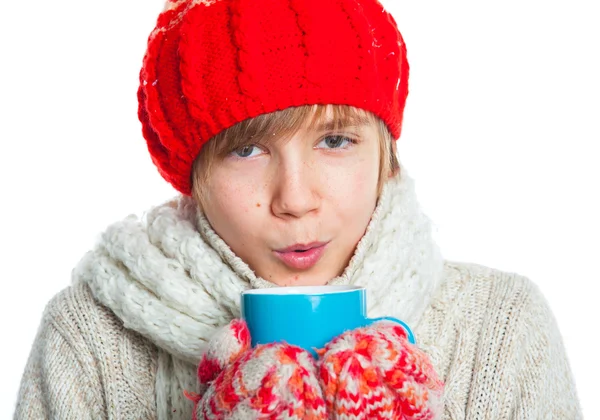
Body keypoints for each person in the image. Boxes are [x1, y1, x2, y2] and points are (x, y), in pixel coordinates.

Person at [14, 0, 582, 418]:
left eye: (335, 141)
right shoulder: (89, 339)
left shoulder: (502, 326)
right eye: (246, 149)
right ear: (193, 179)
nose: (296, 199)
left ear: (387, 158)